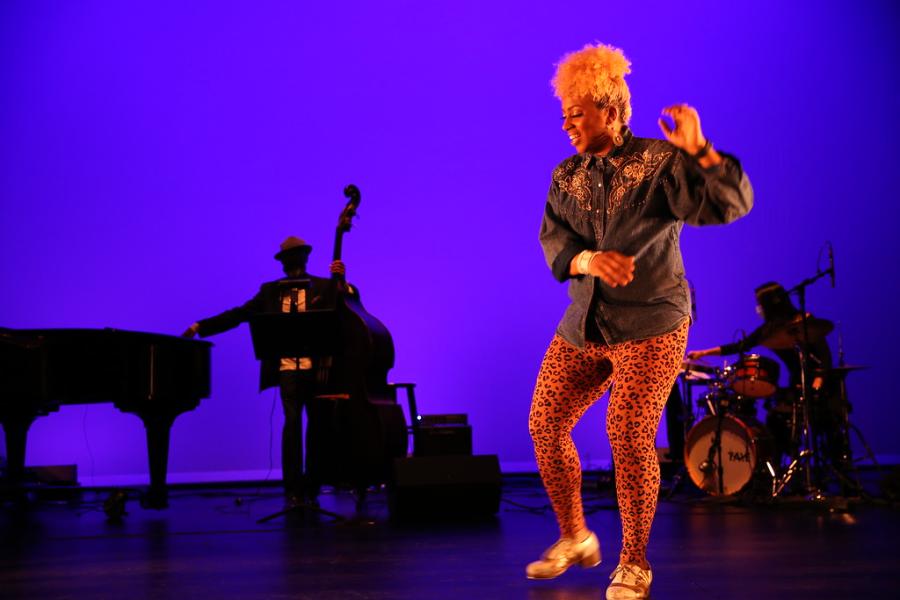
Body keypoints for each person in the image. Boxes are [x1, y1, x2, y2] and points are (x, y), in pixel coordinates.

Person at [526, 43, 753, 599]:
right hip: (587, 322)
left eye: (576, 113)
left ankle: (634, 564)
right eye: (564, 115)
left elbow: (728, 204)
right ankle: (576, 536)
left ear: (609, 108)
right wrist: (588, 260)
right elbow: (557, 243)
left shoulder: (660, 164)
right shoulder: (566, 176)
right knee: (544, 424)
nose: (567, 124)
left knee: (627, 435)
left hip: (653, 323)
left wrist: (699, 150)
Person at [182, 236, 347, 504]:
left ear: (305, 258)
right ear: (282, 264)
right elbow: (239, 314)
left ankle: (313, 485)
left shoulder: (323, 286)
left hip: (317, 371)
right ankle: (293, 488)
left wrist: (343, 282)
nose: (293, 262)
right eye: (288, 258)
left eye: (297, 256)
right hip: (287, 370)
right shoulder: (270, 291)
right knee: (292, 426)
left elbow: (345, 310)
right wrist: (202, 325)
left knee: (317, 428)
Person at [687, 282, 846, 474]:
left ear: (770, 304)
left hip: (821, 385)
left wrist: (818, 381)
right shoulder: (770, 329)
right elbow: (741, 345)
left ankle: (835, 468)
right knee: (776, 418)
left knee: (827, 429)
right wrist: (703, 353)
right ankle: (778, 470)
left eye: (759, 303)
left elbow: (824, 357)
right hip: (796, 384)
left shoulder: (805, 323)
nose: (758, 308)